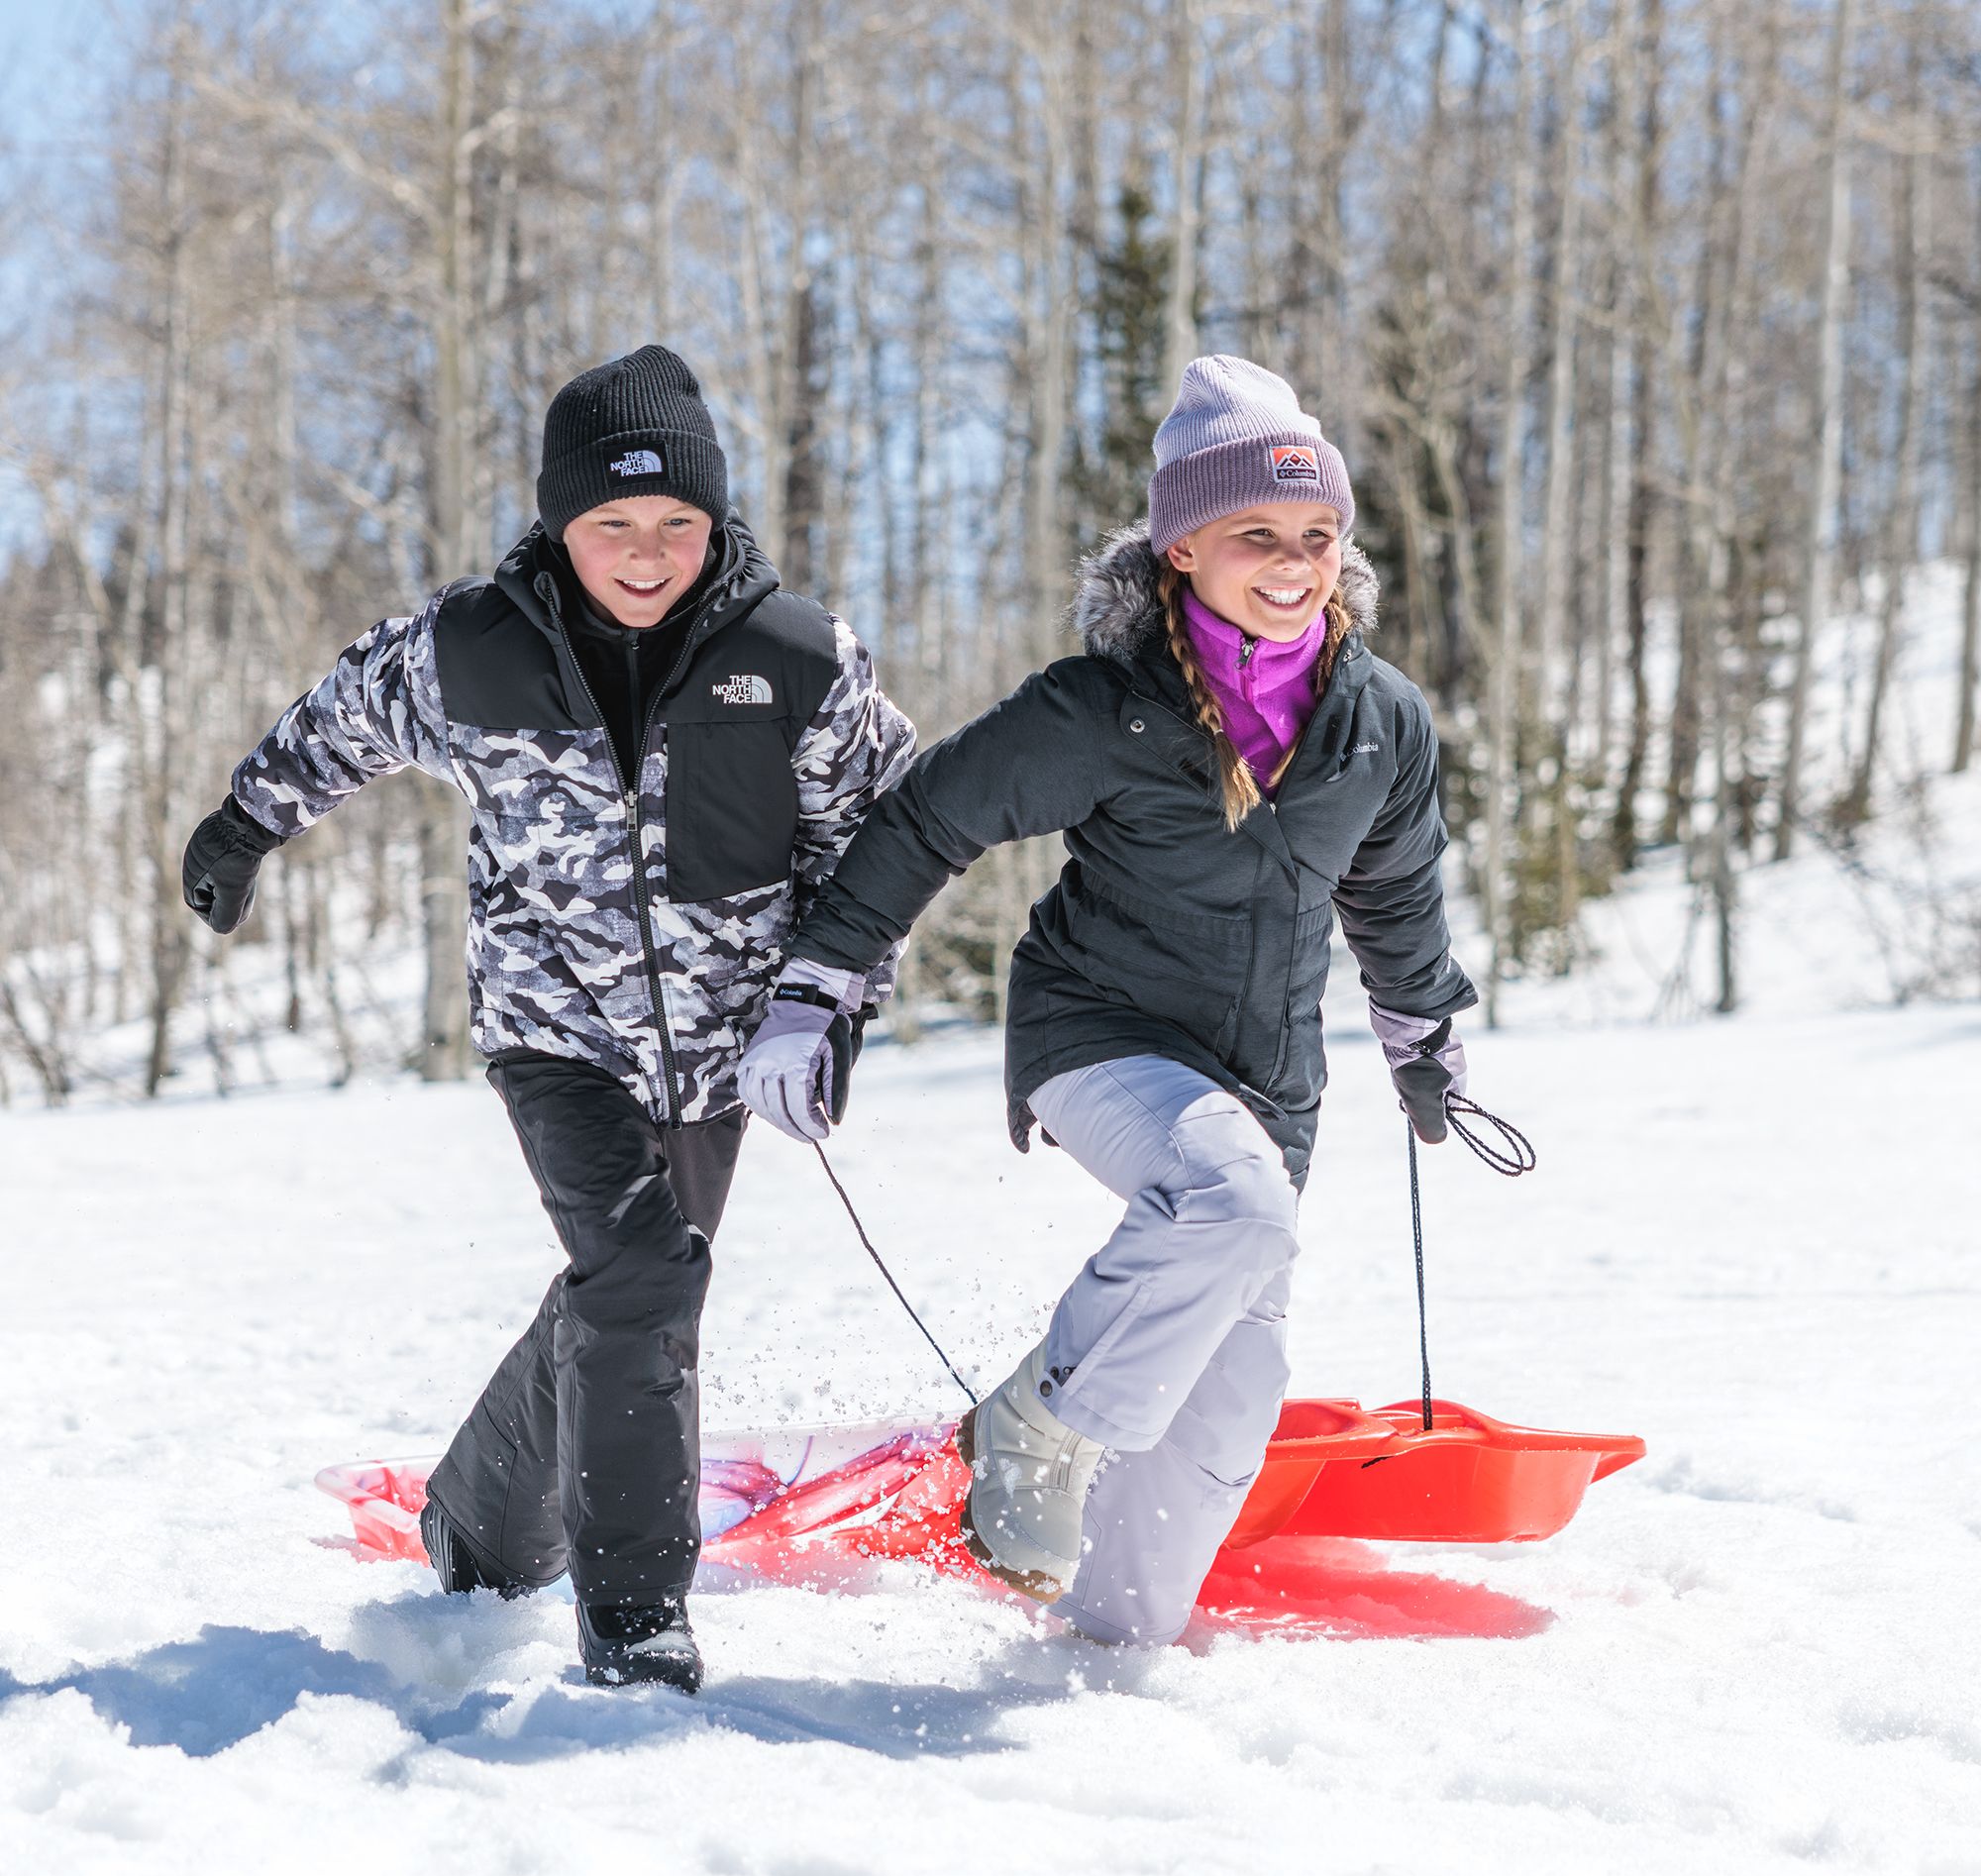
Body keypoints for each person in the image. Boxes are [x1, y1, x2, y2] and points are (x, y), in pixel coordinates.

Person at [183, 346, 915, 1690]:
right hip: (552, 1030)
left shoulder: (795, 658)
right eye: (612, 526)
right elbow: (345, 714)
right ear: (560, 521)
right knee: (645, 1278)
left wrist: (831, 999)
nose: (647, 554)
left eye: (677, 524)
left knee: (620, 1290)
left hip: (724, 1047)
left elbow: (886, 832)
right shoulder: (474, 651)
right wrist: (244, 824)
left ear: (717, 520)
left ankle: (474, 1521)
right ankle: (634, 1617)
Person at [738, 355, 1475, 1646]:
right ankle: (1031, 1426)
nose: (1294, 562)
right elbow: (927, 821)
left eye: (1315, 534)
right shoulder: (1104, 710)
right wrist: (818, 984)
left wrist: (1421, 1032)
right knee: (1227, 1203)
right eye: (1257, 535)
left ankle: (1099, 1654)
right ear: (1182, 546)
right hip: (1101, 1038)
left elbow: (1397, 891)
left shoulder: (1379, 720)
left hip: (1268, 1084)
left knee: (1228, 1402)